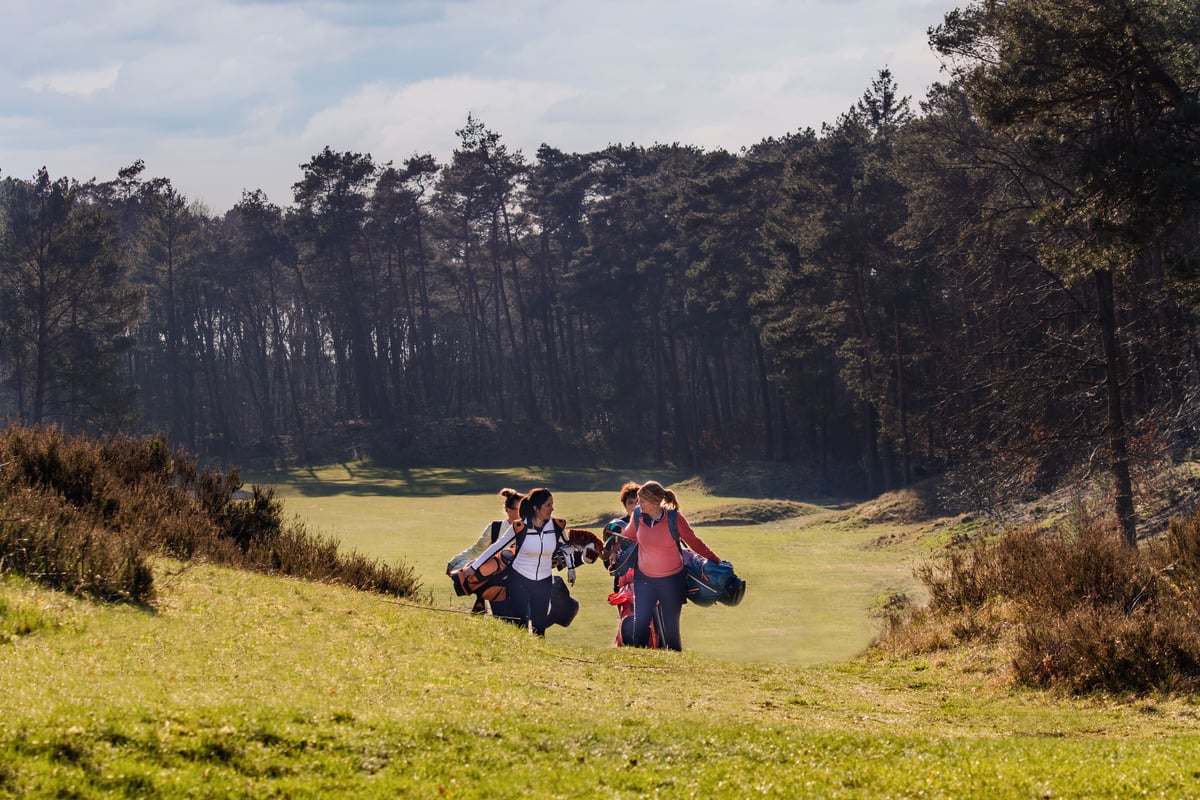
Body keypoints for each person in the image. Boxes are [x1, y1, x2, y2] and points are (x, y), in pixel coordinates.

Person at [618, 480, 721, 651]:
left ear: (654, 501)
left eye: (642, 500)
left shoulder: (674, 519)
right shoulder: (637, 515)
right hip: (644, 579)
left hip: (671, 581)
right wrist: (612, 543)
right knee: (641, 624)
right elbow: (627, 536)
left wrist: (715, 559)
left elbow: (694, 542)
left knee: (670, 628)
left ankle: (674, 665)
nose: (638, 504)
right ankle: (639, 663)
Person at [469, 487, 564, 636]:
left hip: (544, 581)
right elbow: (496, 547)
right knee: (520, 625)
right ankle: (521, 655)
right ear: (536, 508)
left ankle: (538, 657)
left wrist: (583, 556)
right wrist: (474, 567)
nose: (552, 509)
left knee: (540, 626)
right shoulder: (519, 527)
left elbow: (568, 546)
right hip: (519, 580)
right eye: (548, 505)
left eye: (552, 504)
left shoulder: (557, 526)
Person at [446, 488, 522, 618]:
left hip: (519, 581)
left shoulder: (527, 529)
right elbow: (477, 550)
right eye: (519, 509)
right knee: (502, 620)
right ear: (508, 510)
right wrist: (454, 562)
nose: (523, 512)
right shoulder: (495, 528)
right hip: (496, 583)